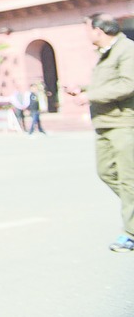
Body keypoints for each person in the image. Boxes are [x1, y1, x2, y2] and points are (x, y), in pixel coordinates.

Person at [65, 13, 134, 253]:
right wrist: (82, 88)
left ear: (99, 30)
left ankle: (131, 233)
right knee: (106, 172)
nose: (86, 35)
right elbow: (108, 83)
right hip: (105, 122)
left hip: (124, 123)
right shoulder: (105, 53)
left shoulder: (127, 50)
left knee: (128, 179)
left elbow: (128, 84)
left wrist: (90, 96)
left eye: (88, 29)